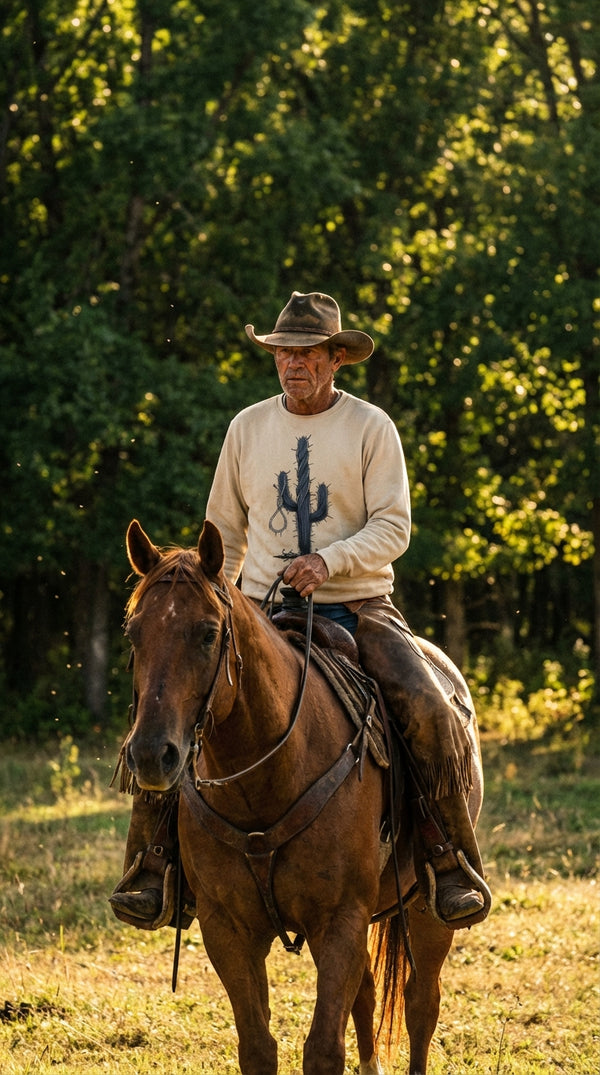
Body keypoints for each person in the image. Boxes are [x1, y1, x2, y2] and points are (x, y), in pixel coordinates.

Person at [110, 291, 488, 932]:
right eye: (285, 353)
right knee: (165, 700)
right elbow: (221, 534)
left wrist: (329, 561)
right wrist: (216, 603)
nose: (295, 364)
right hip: (255, 610)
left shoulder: (372, 428)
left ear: (336, 358)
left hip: (357, 605)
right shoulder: (247, 429)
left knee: (426, 705)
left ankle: (449, 858)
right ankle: (154, 868)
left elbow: (394, 526)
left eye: (309, 353)